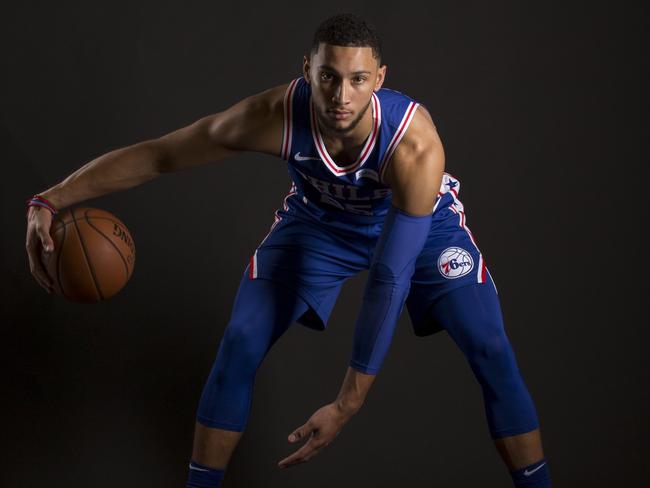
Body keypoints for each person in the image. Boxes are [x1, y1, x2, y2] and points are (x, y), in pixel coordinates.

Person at [25, 13, 551, 488]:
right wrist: (49, 199)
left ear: (380, 80)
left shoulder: (413, 144)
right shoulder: (274, 115)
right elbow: (161, 155)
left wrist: (347, 403)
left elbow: (389, 277)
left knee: (490, 348)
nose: (341, 96)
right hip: (319, 225)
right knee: (240, 339)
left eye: (358, 80)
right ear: (308, 71)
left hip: (418, 226)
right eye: (329, 77)